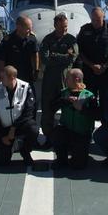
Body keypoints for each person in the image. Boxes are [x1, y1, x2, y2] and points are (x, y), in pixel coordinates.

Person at [39, 13, 78, 147]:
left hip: (66, 81)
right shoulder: (47, 40)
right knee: (47, 111)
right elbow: (45, 59)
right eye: (61, 27)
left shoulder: (71, 40)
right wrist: (63, 57)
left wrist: (55, 55)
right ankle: (49, 137)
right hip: (50, 81)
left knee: (69, 110)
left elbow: (72, 58)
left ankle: (69, 139)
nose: (64, 30)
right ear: (55, 25)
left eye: (66, 27)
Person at [0, 65, 38, 166]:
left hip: (20, 126)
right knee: (3, 161)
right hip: (4, 129)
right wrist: (2, 136)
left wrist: (14, 127)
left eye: (3, 78)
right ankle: (10, 147)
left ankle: (25, 150)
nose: (1, 80)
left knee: (33, 128)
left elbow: (29, 112)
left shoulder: (26, 88)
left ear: (12, 78)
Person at [51, 68, 97, 170]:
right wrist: (66, 100)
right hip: (66, 131)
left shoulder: (89, 96)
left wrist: (82, 108)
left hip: (82, 133)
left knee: (79, 165)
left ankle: (79, 155)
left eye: (67, 78)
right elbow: (52, 106)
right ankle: (61, 159)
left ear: (76, 79)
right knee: (57, 134)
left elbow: (96, 114)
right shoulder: (64, 93)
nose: (65, 81)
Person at [77, 7, 108, 104]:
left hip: (107, 73)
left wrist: (105, 66)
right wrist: (92, 65)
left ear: (104, 17)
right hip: (89, 73)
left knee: (107, 102)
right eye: (93, 20)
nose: (95, 22)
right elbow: (79, 51)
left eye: (98, 20)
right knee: (88, 102)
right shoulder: (84, 30)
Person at [0, 15, 39, 86]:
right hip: (12, 75)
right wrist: (2, 74)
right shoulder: (8, 41)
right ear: (19, 27)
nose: (30, 31)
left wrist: (36, 70)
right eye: (28, 29)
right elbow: (1, 59)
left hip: (27, 74)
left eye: (30, 28)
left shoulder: (32, 39)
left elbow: (35, 54)